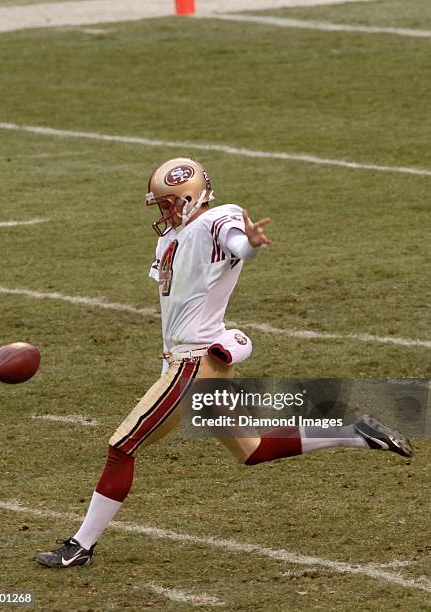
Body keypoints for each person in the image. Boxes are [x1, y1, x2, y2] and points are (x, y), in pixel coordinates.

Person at [36, 158, 412, 568]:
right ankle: (354, 431)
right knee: (252, 451)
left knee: (122, 447)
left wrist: (250, 242)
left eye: (167, 203)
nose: (163, 212)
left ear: (190, 197)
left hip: (194, 365)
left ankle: (81, 546)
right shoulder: (170, 240)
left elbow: (238, 245)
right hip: (189, 361)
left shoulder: (218, 218)